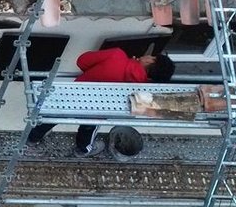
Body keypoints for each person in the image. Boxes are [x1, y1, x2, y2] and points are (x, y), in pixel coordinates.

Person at [27, 46, 175, 153]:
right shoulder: (140, 91)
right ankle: (83, 150)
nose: (149, 56)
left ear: (150, 62)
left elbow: (82, 61)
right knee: (88, 129)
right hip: (95, 111)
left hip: (73, 97)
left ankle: (32, 139)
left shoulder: (117, 55)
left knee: (54, 115)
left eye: (152, 57)